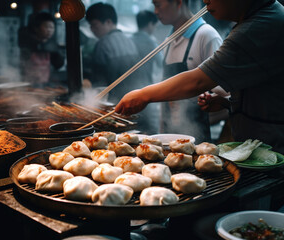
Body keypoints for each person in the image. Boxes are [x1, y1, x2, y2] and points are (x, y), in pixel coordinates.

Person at [115, 0, 284, 154]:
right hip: (260, 146)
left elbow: (198, 81)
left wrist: (144, 95)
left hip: (273, 150)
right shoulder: (262, 18)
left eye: (158, 4)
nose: (204, 1)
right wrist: (229, 103)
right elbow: (263, 91)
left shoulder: (255, 28)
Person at [153, 0, 223, 143]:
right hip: (169, 134)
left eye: (158, 5)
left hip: (197, 137)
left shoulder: (206, 35)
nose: (155, 11)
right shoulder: (168, 41)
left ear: (178, 3)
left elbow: (224, 94)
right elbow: (165, 92)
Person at [85, 2, 158, 134]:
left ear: (108, 22)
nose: (92, 29)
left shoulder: (103, 44)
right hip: (140, 106)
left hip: (120, 108)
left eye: (94, 25)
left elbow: (100, 84)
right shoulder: (129, 39)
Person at [18, 12, 65, 88]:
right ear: (36, 28)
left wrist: (55, 51)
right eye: (47, 27)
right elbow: (22, 63)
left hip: (46, 84)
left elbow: (58, 65)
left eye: (52, 27)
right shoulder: (26, 41)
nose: (49, 30)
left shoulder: (52, 44)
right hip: (28, 84)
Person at [131, 10, 163, 84]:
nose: (155, 29)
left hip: (129, 84)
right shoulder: (151, 43)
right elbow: (161, 63)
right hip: (145, 84)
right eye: (155, 26)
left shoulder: (128, 40)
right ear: (150, 24)